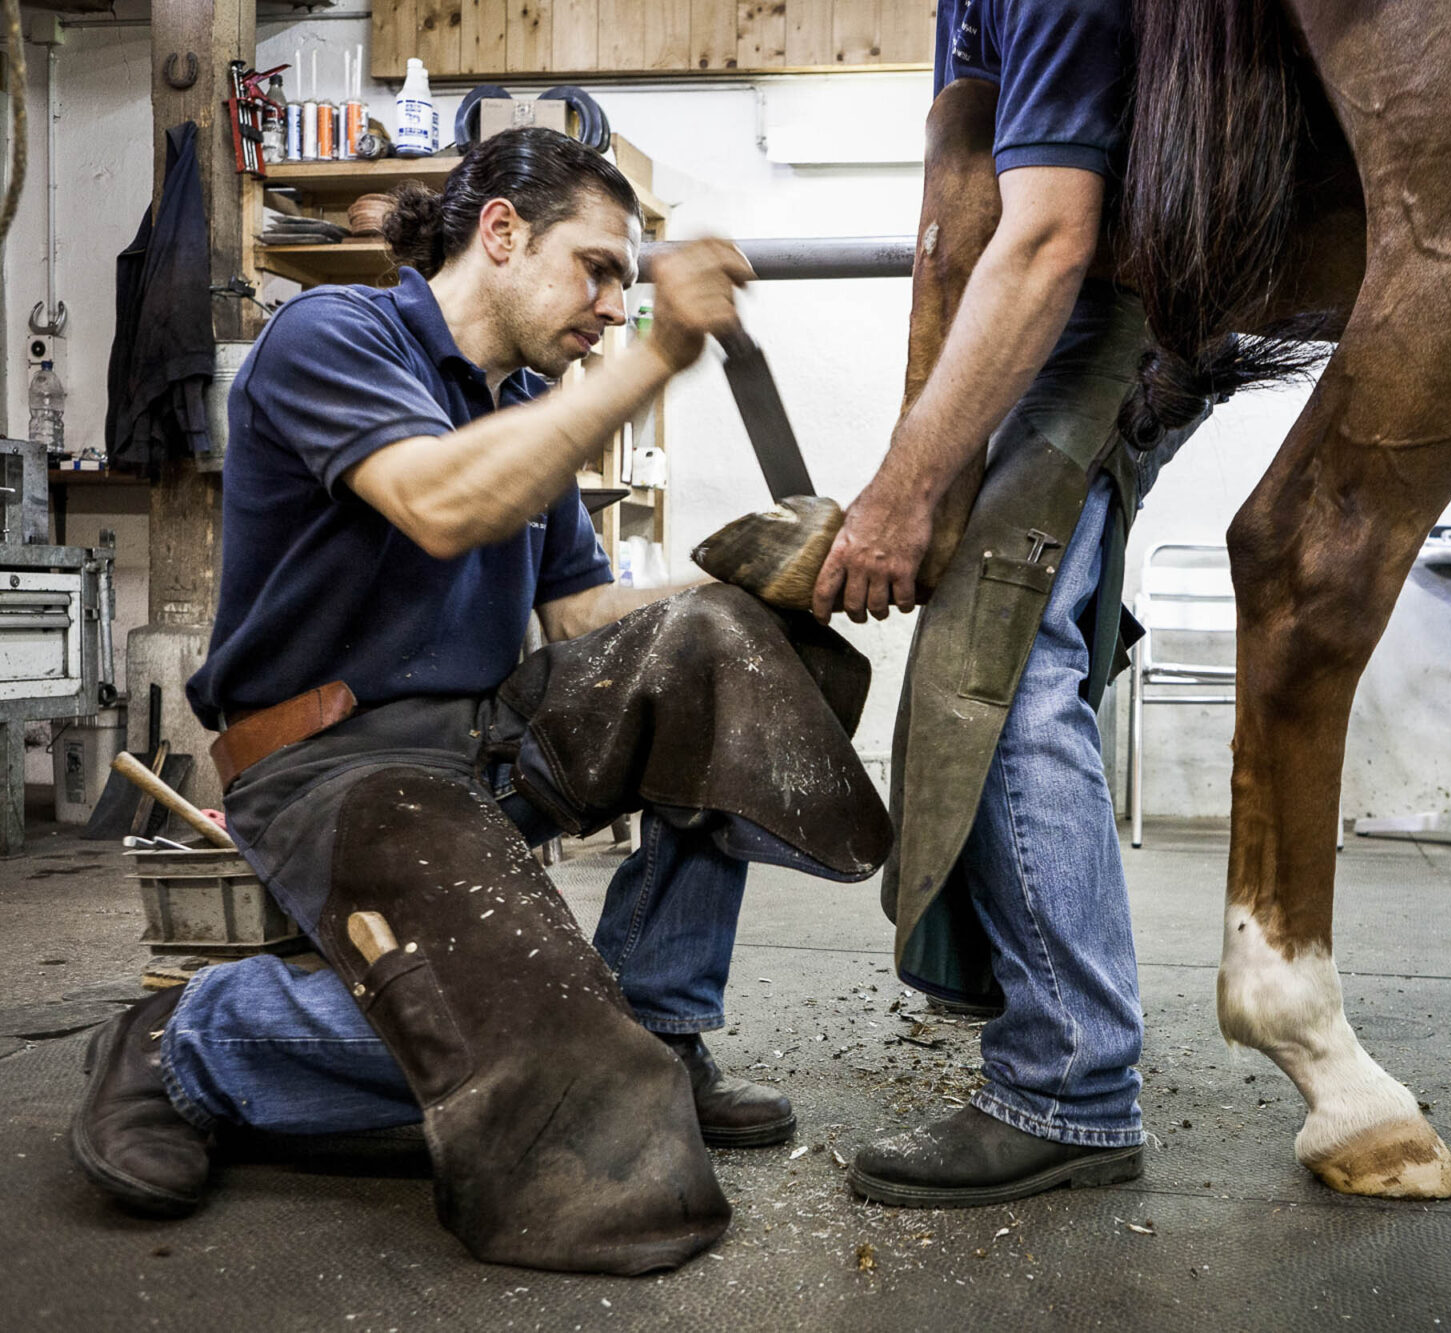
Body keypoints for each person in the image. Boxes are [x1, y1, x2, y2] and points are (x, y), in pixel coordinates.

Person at [69, 129, 892, 1274]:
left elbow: (578, 616)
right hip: (336, 768)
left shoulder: (522, 404)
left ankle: (659, 1015)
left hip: (481, 741)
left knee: (719, 651)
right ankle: (192, 1041)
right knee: (566, 1076)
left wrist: (747, 581)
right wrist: (655, 357)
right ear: (499, 232)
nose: (613, 304)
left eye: (626, 281)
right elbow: (440, 504)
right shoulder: (335, 338)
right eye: (598, 268)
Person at [809, 0, 1202, 1208]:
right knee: (994, 648)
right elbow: (972, 225)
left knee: (1004, 666)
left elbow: (1042, 244)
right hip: (1063, 304)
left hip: (1097, 307)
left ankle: (1071, 1089)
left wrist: (897, 497)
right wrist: (916, 462)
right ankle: (1040, 1018)